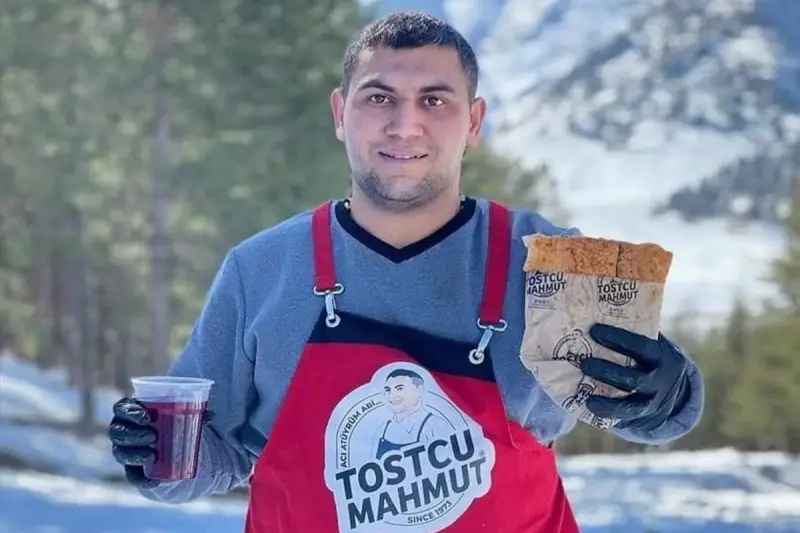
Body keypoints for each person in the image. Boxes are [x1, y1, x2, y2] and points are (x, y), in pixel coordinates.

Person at [108, 11, 704, 532]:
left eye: (434, 101)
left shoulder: (544, 260)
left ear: (474, 122)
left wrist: (665, 393)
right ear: (340, 113)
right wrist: (151, 451)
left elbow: (642, 410)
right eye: (379, 97)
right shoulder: (261, 269)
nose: (404, 125)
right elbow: (212, 453)